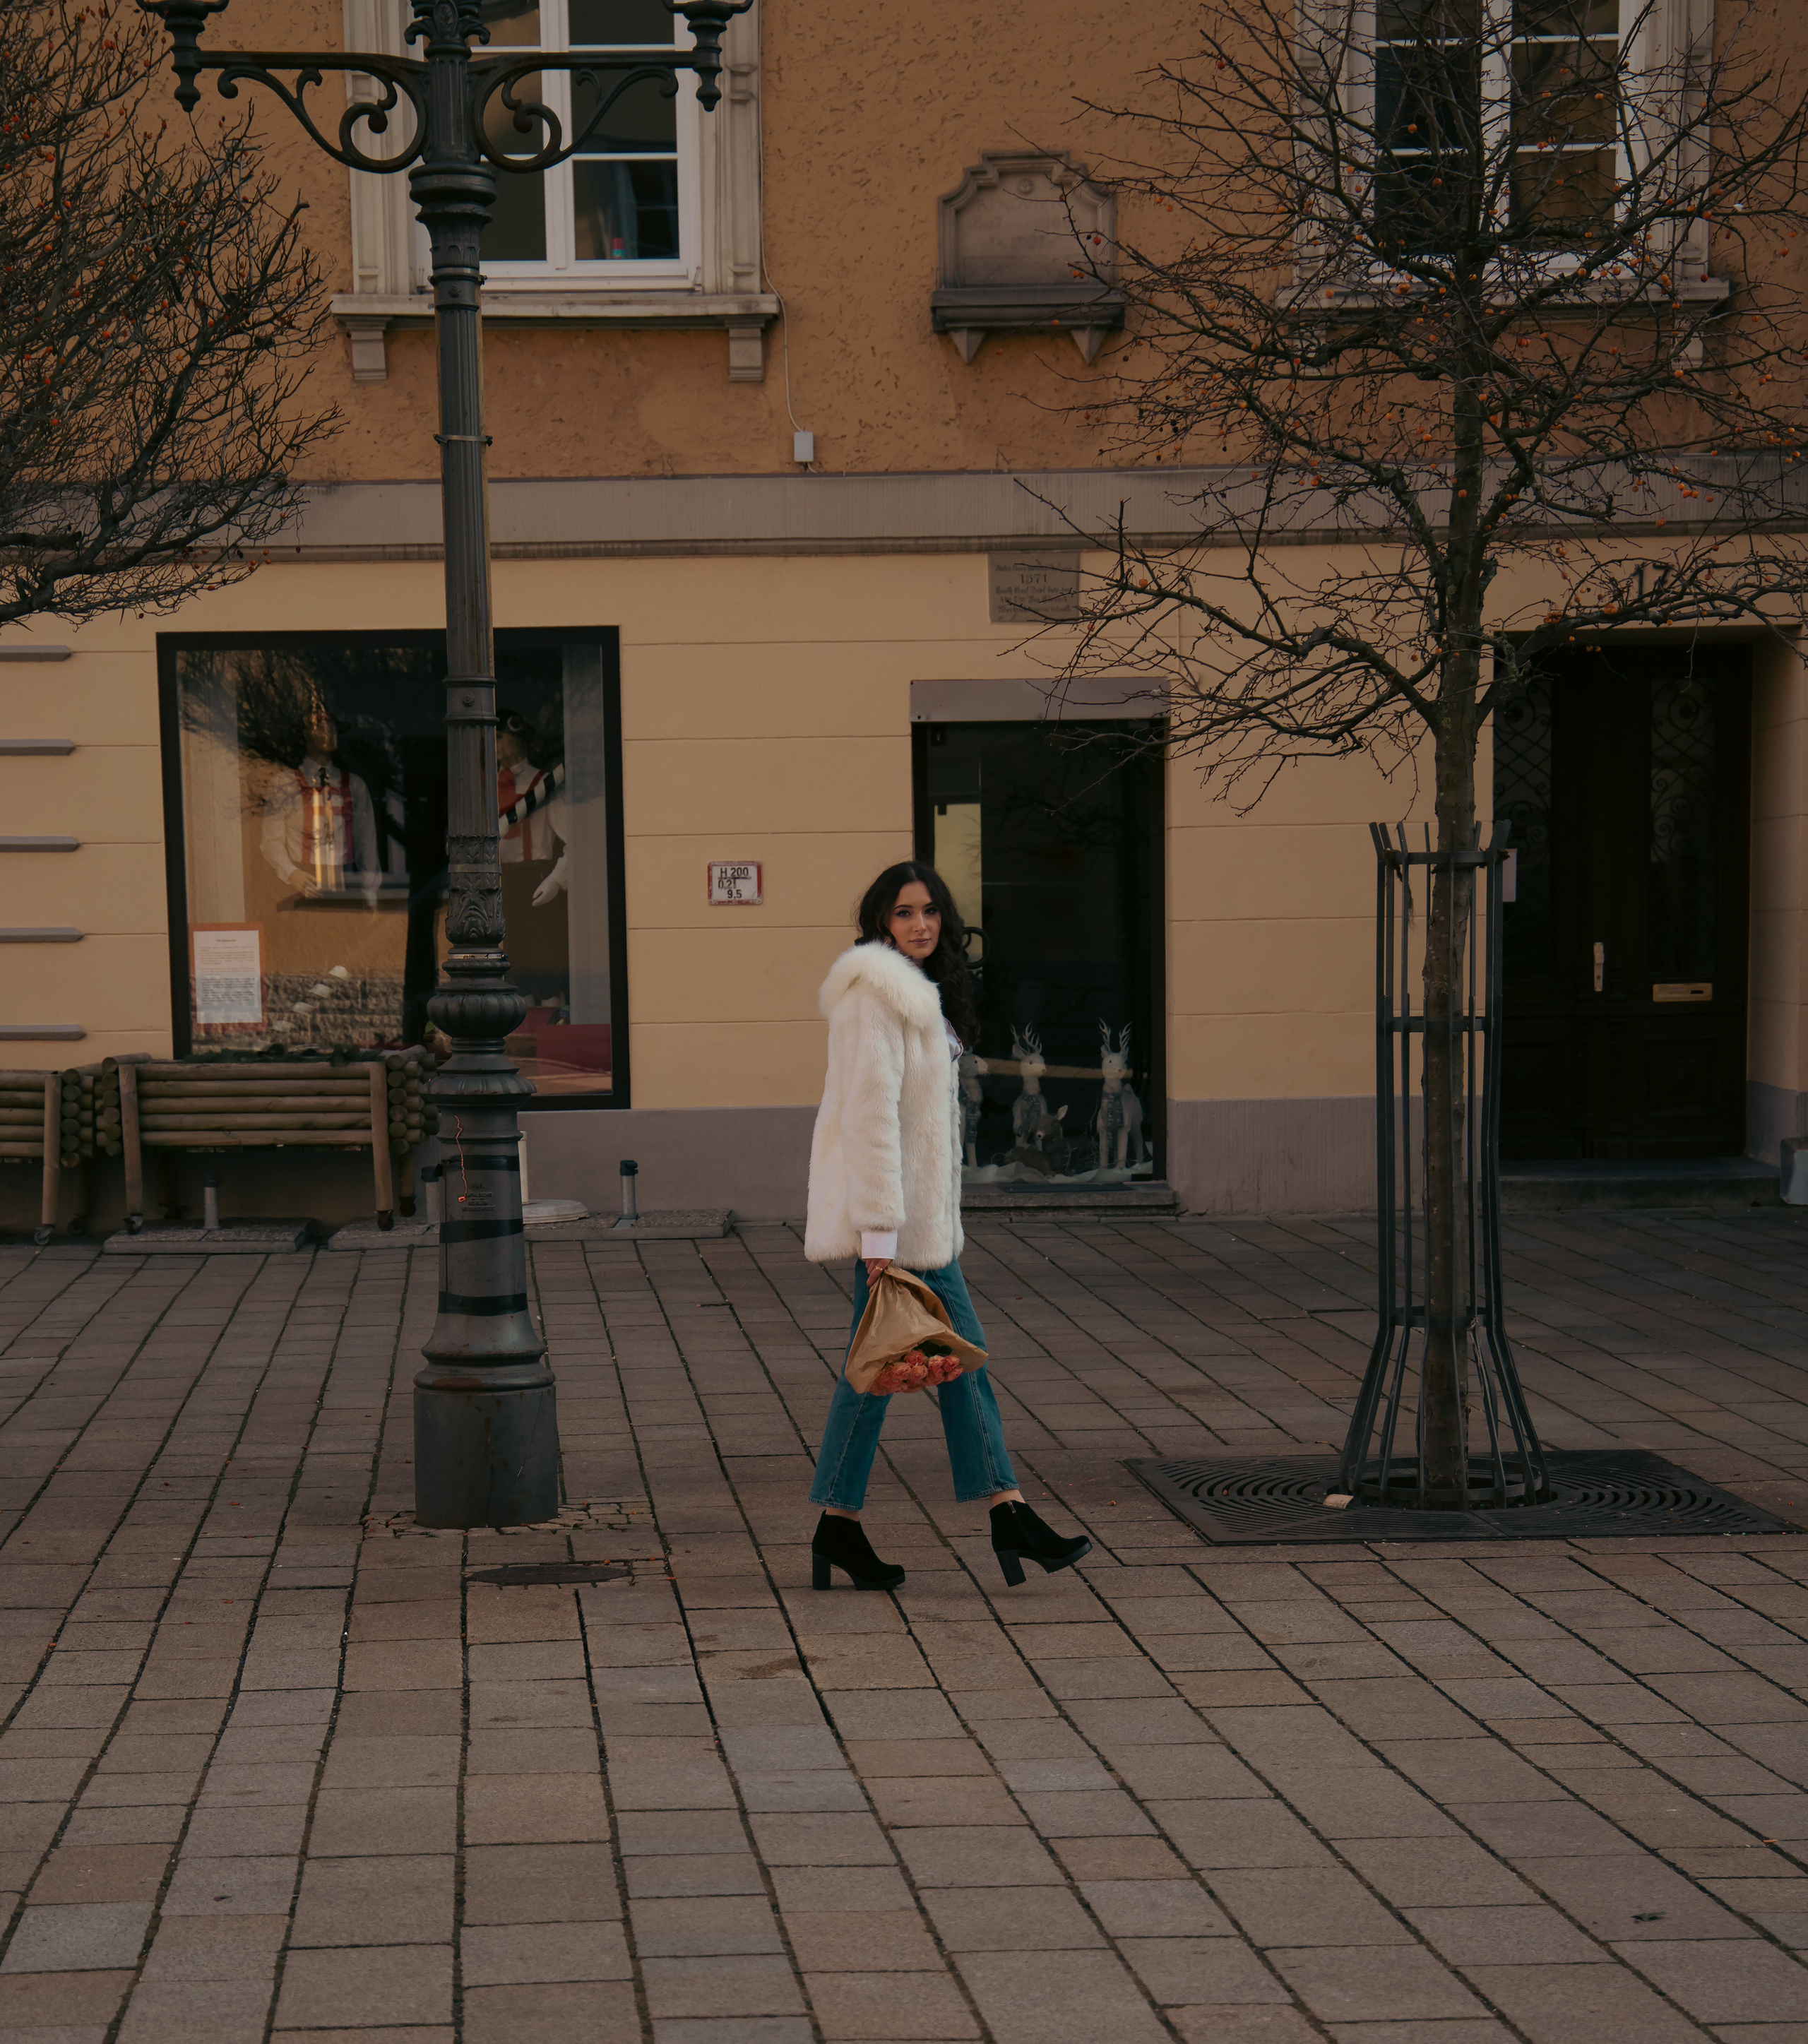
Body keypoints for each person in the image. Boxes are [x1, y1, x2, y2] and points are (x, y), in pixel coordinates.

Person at [804, 860, 1091, 1591]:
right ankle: (1007, 1510)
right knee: (958, 1362)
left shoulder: (916, 994)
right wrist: (876, 1240)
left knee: (873, 1375)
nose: (920, 924)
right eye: (903, 912)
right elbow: (868, 1121)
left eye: (929, 911)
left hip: (917, 1220)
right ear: (879, 921)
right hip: (898, 1227)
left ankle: (840, 1527)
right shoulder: (877, 996)